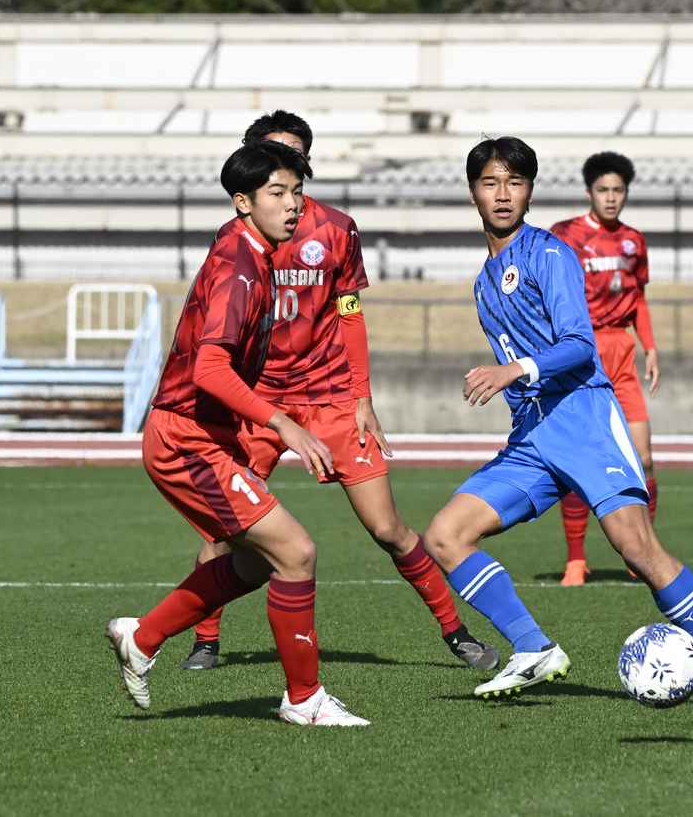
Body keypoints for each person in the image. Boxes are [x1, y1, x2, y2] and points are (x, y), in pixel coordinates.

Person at [420, 136, 693, 709]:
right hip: (532, 436)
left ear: (530, 191)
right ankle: (533, 648)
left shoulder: (548, 254)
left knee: (634, 546)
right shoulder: (482, 280)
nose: (502, 194)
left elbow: (579, 345)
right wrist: (516, 388)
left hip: (584, 417)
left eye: (514, 183)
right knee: (445, 536)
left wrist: (511, 370)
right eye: (490, 182)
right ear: (473, 192)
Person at [179, 111, 498, 673]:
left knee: (388, 528)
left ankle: (456, 632)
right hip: (260, 403)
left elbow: (349, 313)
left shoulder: (336, 229)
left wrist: (362, 397)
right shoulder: (233, 242)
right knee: (222, 528)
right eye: (272, 159)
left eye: (295, 158)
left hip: (328, 398)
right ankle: (205, 640)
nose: (286, 172)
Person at [106, 141, 368, 726]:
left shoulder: (249, 250)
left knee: (254, 564)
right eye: (278, 193)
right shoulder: (241, 268)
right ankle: (305, 700)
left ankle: (142, 638)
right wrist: (283, 424)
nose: (293, 205)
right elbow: (208, 368)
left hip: (206, 434)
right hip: (186, 440)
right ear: (242, 202)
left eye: (297, 191)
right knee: (296, 552)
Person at [550, 152, 659, 586]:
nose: (611, 198)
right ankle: (576, 559)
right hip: (582, 350)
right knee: (580, 458)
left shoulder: (634, 240)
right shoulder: (566, 236)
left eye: (618, 191)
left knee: (644, 458)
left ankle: (642, 552)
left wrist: (650, 347)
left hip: (622, 350)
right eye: (603, 190)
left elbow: (639, 300)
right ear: (589, 192)